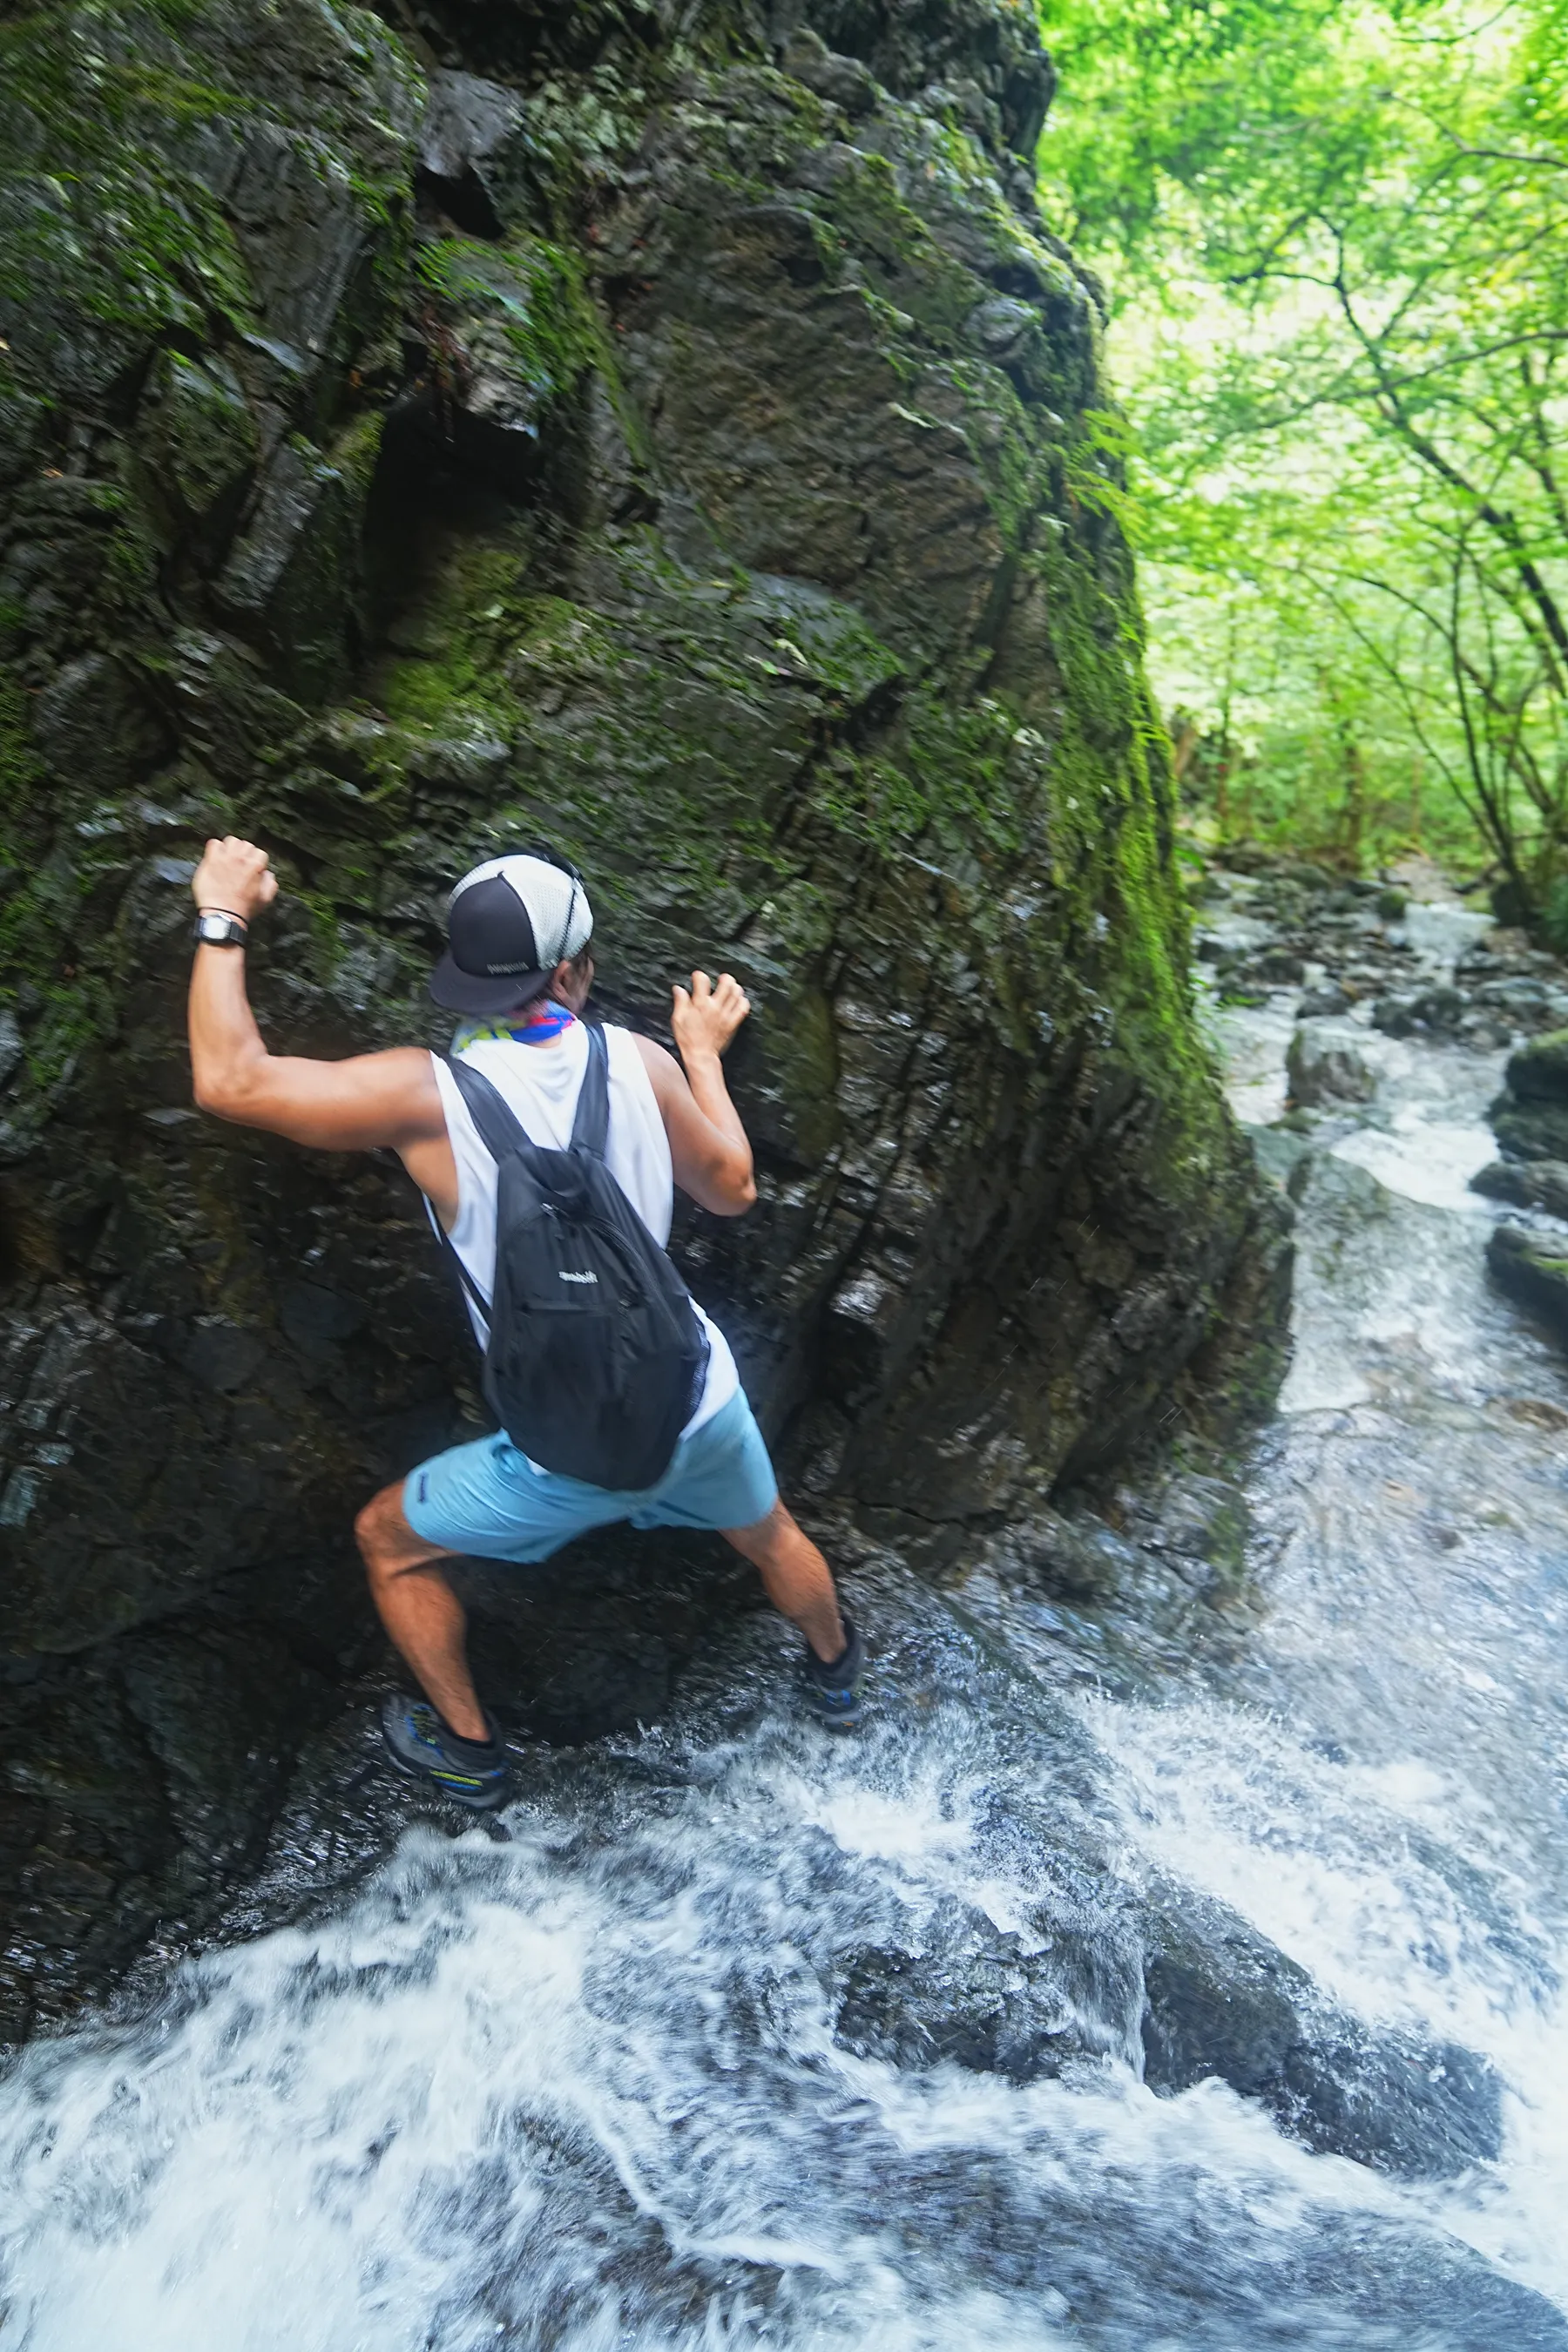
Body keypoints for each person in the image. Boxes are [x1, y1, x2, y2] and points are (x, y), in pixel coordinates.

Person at [186, 836, 865, 1808]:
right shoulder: (638, 1061)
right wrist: (702, 1058)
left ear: (463, 978)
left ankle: (470, 1749)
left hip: (566, 1452)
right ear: (572, 971)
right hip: (694, 1398)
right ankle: (837, 1677)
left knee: (385, 1538)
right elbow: (733, 1188)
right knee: (769, 1534)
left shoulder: (423, 1095)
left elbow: (229, 1082)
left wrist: (224, 914)